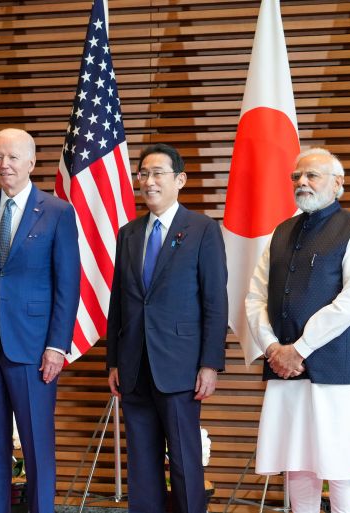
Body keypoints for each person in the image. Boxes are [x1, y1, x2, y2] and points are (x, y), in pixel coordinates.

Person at [0, 128, 80, 513]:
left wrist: (57, 345)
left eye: (12, 157)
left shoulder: (57, 212)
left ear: (31, 162)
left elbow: (67, 285)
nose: (3, 165)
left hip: (35, 348)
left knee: (37, 442)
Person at [245, 147, 350, 513]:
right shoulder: (281, 231)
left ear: (338, 184)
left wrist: (298, 349)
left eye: (312, 175)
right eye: (296, 177)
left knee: (338, 465)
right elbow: (255, 297)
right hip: (284, 369)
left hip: (335, 371)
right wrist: (274, 348)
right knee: (297, 463)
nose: (301, 182)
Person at [106, 143, 228, 513]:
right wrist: (113, 361)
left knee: (183, 462)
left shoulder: (202, 229)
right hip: (134, 366)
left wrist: (210, 363)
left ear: (180, 180)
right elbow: (119, 302)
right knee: (141, 466)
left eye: (158, 173)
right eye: (143, 173)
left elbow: (214, 302)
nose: (149, 181)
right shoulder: (128, 233)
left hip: (181, 368)